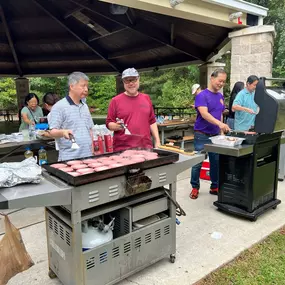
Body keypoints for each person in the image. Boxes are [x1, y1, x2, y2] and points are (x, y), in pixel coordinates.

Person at [190, 69, 230, 200]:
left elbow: (220, 115)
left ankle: (214, 186)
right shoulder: (201, 95)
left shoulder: (220, 96)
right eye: (220, 81)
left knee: (216, 161)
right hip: (201, 134)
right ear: (212, 78)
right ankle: (195, 187)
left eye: (223, 82)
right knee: (197, 162)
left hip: (215, 135)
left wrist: (222, 132)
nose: (221, 84)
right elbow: (204, 114)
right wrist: (220, 124)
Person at [106, 67, 160, 152]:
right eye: (127, 80)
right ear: (123, 82)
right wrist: (116, 126)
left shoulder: (146, 98)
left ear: (139, 80)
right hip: (123, 149)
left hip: (146, 147)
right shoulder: (115, 101)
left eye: (134, 80)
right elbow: (109, 124)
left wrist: (157, 141)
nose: (131, 83)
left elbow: (152, 122)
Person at [49, 72, 94, 161]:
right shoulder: (59, 106)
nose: (86, 89)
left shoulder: (84, 106)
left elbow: (90, 128)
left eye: (87, 86)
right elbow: (52, 131)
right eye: (83, 86)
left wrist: (92, 148)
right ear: (72, 86)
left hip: (88, 156)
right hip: (69, 157)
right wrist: (63, 132)